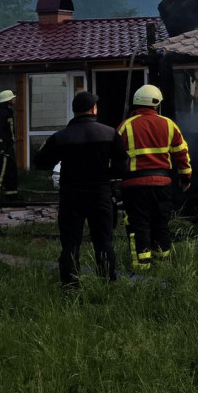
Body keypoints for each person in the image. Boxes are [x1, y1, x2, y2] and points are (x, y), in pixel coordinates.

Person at [35, 92, 127, 289]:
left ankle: (70, 285)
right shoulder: (110, 133)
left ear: (74, 111)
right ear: (93, 109)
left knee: (70, 243)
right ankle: (107, 284)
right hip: (101, 193)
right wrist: (108, 176)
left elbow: (41, 162)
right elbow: (123, 164)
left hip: (71, 195)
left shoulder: (60, 137)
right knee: (103, 241)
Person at [117, 84, 192, 272]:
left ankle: (141, 269)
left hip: (133, 187)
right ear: (156, 104)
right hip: (162, 185)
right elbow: (182, 155)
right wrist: (186, 178)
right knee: (161, 223)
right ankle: (162, 264)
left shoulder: (125, 126)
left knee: (138, 224)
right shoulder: (169, 124)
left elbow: (114, 156)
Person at [0, 89, 18, 200]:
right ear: (9, 101)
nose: (15, 100)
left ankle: (11, 194)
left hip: (8, 146)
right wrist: (0, 145)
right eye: (13, 98)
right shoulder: (1, 113)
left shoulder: (7, 112)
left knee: (11, 171)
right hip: (3, 148)